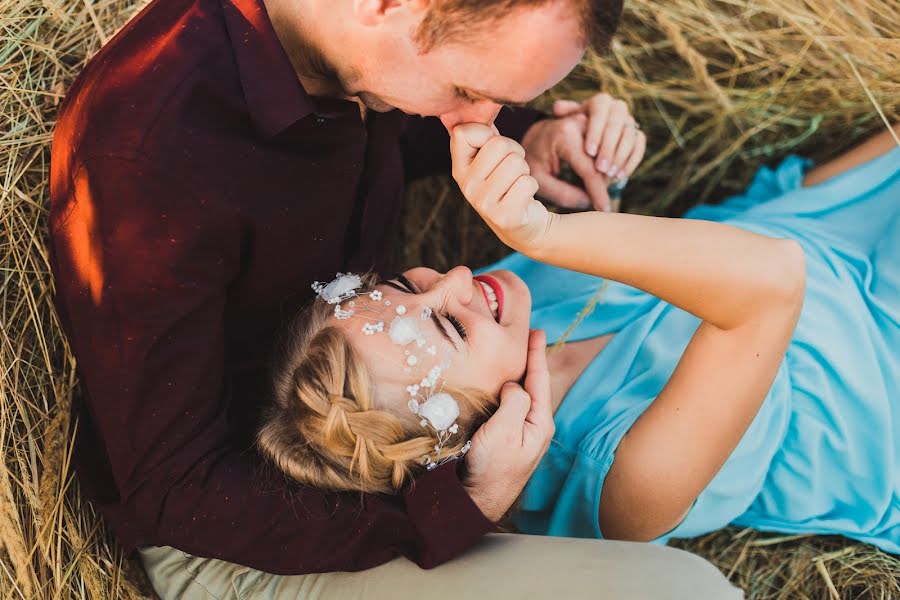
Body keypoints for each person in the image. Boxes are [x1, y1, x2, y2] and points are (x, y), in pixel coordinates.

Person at [49, 0, 742, 597]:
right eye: (469, 88)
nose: (478, 119)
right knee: (687, 593)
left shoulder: (354, 52)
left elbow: (379, 128)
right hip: (249, 533)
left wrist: (530, 134)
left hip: (399, 415)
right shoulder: (146, 160)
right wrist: (458, 506)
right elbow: (177, 489)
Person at [260, 124, 900, 557]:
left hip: (819, 227)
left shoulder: (499, 321)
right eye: (449, 323)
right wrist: (543, 234)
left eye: (406, 283)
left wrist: (591, 162)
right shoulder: (624, 488)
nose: (456, 277)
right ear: (472, 437)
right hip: (875, 365)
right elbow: (772, 283)